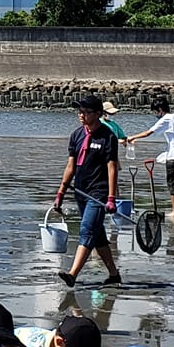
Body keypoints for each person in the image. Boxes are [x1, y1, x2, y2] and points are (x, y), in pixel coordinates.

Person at [51, 94, 122, 286]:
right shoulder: (76, 135)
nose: (81, 115)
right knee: (97, 235)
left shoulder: (108, 137)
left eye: (85, 112)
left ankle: (73, 274)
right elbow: (70, 167)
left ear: (98, 114)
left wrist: (111, 197)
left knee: (87, 230)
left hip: (99, 193)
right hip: (81, 191)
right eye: (79, 111)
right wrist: (60, 194)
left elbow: (112, 167)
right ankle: (114, 275)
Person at [124, 95, 174, 221]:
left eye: (156, 112)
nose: (156, 114)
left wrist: (132, 137)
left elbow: (148, 133)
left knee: (172, 183)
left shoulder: (165, 119)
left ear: (160, 109)